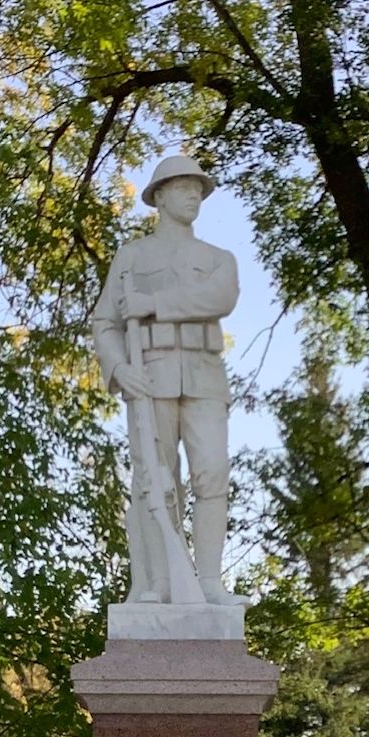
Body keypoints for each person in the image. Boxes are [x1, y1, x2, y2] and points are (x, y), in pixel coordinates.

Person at [90, 153, 240, 605]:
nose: (193, 194)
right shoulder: (133, 258)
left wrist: (155, 305)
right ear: (158, 197)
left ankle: (209, 582)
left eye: (198, 188)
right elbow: (104, 322)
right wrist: (118, 369)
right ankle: (158, 582)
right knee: (154, 480)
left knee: (212, 472)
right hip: (149, 375)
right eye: (182, 187)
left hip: (204, 374)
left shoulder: (218, 259)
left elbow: (221, 296)